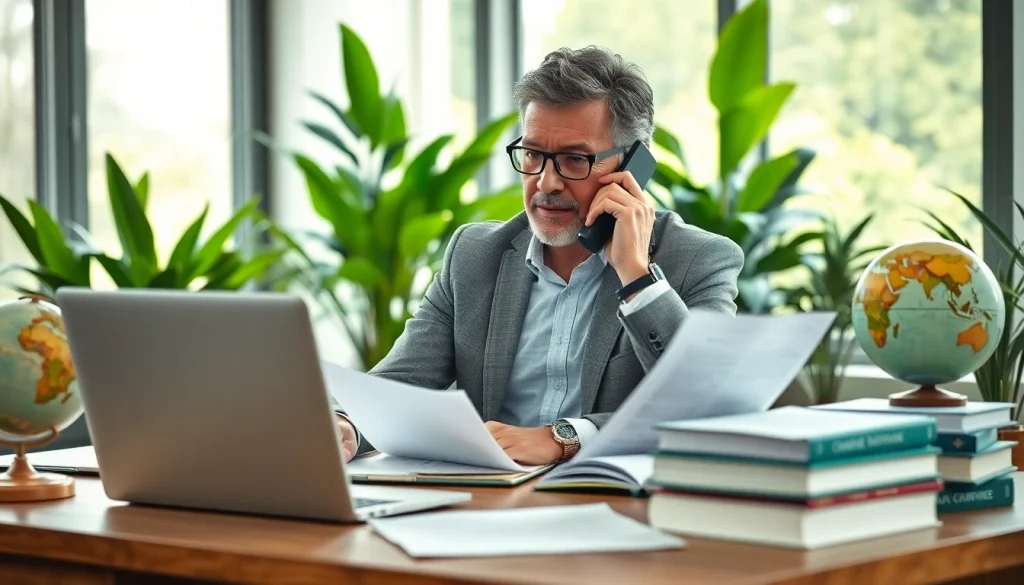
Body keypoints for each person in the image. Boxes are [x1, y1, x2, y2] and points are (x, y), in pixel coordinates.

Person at [332, 45, 744, 466]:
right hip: (489, 496)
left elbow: (707, 404)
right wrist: (346, 425)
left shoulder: (699, 260)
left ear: (632, 166)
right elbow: (398, 384)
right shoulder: (474, 255)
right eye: (532, 155)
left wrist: (636, 276)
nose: (546, 183)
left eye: (575, 160)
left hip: (612, 497)